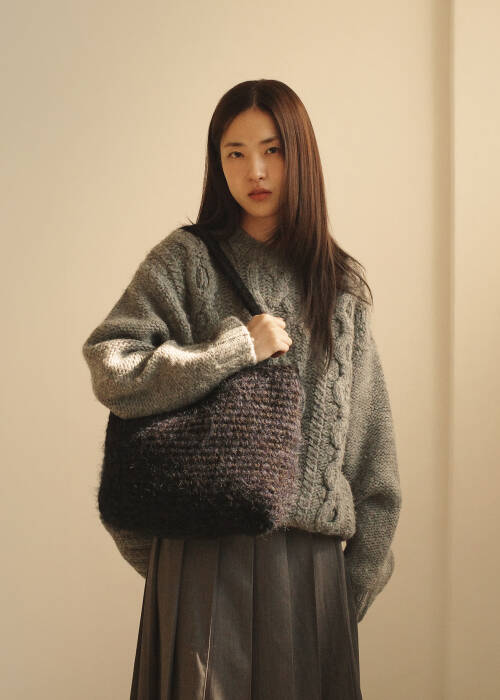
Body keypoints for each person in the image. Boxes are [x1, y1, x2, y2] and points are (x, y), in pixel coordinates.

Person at [82, 79, 402, 700]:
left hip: (311, 580)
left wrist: (342, 602)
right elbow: (110, 366)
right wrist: (233, 351)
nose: (254, 170)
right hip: (200, 565)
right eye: (235, 152)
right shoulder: (185, 260)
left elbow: (374, 466)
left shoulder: (338, 287)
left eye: (272, 149)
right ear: (217, 162)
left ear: (300, 155)